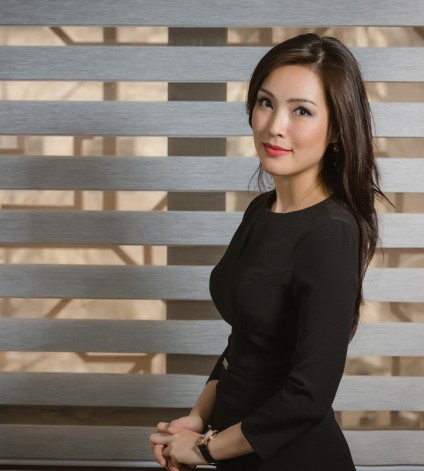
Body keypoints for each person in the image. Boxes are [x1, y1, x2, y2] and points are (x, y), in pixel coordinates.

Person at [149, 32, 386, 470]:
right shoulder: (262, 209)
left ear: (337, 129)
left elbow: (309, 396)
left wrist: (204, 449)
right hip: (234, 450)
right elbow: (244, 343)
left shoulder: (331, 233)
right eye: (266, 102)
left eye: (301, 110)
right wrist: (197, 419)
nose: (275, 125)